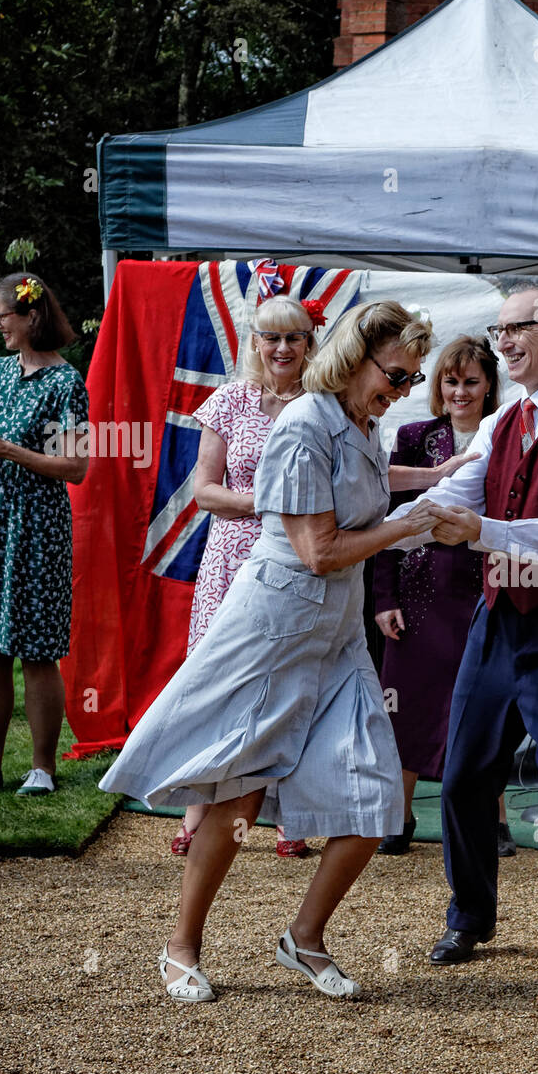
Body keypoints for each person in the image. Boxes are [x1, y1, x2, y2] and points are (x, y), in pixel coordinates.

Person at [99, 301, 439, 1004]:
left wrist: (439, 480)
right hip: (279, 624)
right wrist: (414, 527)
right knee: (237, 794)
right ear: (357, 356)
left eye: (412, 380)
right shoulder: (305, 423)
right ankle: (181, 945)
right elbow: (319, 551)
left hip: (337, 632)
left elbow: (366, 501)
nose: (403, 391)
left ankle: (302, 939)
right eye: (397, 376)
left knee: (375, 800)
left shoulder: (362, 423)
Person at [386, 284, 538, 1013]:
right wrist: (363, 523)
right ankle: (471, 914)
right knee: (461, 775)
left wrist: (481, 533)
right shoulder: (500, 423)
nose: (504, 342)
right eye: (499, 331)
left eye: (517, 328)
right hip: (499, 623)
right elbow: (451, 493)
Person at [169, 293, 325, 860]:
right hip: (232, 559)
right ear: (255, 343)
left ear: (310, 343)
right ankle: (197, 810)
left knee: (288, 680)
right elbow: (202, 489)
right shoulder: (230, 400)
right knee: (218, 682)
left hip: (298, 558)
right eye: (272, 337)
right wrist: (268, 501)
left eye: (294, 337)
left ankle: (290, 816)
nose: (283, 348)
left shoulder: (324, 402)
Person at [372, 335, 514, 858]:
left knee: (484, 706)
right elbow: (385, 523)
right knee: (404, 705)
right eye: (451, 381)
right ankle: (398, 814)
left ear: (489, 385)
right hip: (417, 590)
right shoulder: (412, 436)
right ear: (437, 386)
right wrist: (383, 598)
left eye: (471, 381)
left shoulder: (510, 434)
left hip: (485, 586)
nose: (460, 391)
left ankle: (493, 819)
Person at [0, 272, 89, 796]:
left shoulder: (64, 383)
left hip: (39, 526)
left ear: (30, 316)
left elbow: (75, 467)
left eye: (1, 316)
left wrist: (6, 450)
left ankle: (42, 769)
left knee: (36, 650)